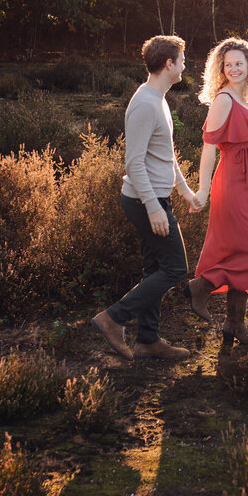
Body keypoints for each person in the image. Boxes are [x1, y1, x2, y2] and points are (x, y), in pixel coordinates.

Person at [91, 35, 200, 361]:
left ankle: (148, 341)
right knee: (175, 268)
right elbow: (133, 162)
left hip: (153, 199)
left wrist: (185, 191)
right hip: (143, 201)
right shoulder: (144, 103)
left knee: (155, 269)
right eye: (182, 60)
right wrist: (154, 207)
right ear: (169, 63)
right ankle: (113, 318)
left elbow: (165, 156)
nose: (184, 65)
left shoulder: (159, 99)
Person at [184, 37, 248, 350]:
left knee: (244, 254)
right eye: (228, 64)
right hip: (235, 186)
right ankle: (201, 286)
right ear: (221, 69)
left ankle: (234, 324)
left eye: (240, 63)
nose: (234, 69)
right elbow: (210, 148)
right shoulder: (224, 99)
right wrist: (203, 189)